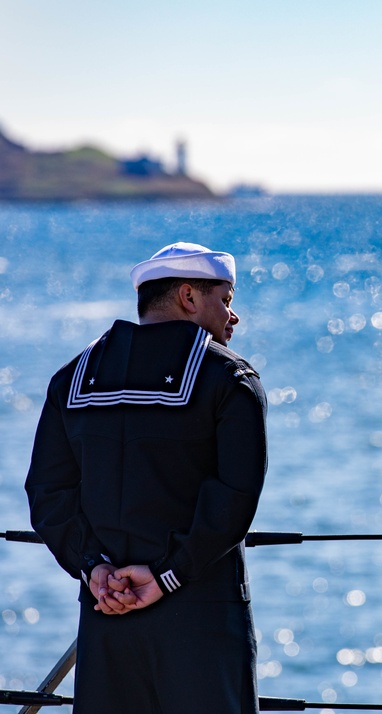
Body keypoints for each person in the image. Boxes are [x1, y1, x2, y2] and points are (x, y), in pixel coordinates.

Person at [24, 242, 268, 714]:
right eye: (227, 299)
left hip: (106, 613)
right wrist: (165, 576)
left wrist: (94, 569)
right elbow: (235, 497)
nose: (233, 316)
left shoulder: (73, 376)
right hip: (200, 618)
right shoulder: (230, 378)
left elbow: (48, 493)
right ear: (189, 297)